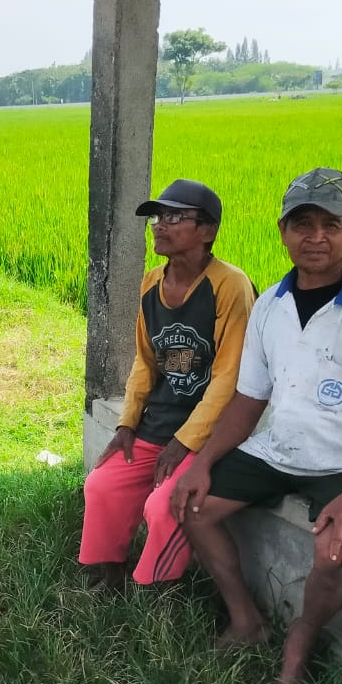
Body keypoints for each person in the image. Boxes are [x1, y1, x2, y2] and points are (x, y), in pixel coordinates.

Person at [170, 167, 342, 684]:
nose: (316, 237)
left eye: (330, 224)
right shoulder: (270, 306)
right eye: (303, 224)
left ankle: (300, 647)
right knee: (192, 503)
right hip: (282, 448)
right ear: (283, 232)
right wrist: (202, 460)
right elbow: (248, 400)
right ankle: (247, 620)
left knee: (337, 549)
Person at [78, 180, 255, 589]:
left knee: (164, 506)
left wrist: (185, 441)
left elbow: (230, 378)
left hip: (211, 433)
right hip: (158, 421)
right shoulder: (152, 282)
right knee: (102, 484)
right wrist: (126, 424)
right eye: (158, 217)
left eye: (175, 217)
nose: (160, 225)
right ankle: (111, 574)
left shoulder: (230, 286)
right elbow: (146, 360)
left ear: (208, 231)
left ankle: (156, 587)